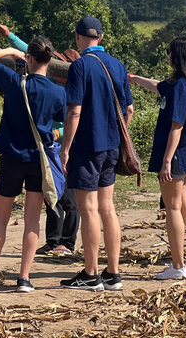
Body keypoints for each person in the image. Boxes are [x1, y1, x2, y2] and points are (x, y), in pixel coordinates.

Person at [0, 36, 67, 293]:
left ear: (29, 58)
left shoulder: (15, 82)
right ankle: (24, 279)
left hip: (11, 159)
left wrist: (12, 50)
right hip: (38, 161)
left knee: (0, 219)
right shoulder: (58, 92)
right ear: (50, 60)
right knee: (32, 221)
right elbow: (60, 121)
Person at [129, 36, 186, 279]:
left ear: (177, 57)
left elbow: (176, 127)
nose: (167, 56)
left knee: (172, 209)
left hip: (179, 154)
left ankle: (178, 266)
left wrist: (166, 160)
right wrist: (135, 79)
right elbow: (158, 85)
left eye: (170, 53)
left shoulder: (180, 87)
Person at [59, 16, 132, 292]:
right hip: (112, 146)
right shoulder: (117, 64)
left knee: (88, 209)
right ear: (100, 38)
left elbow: (74, 110)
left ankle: (90, 274)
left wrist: (65, 149)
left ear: (78, 38)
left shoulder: (79, 66)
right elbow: (129, 110)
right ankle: (113, 273)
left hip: (87, 146)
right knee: (108, 208)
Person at [0, 24, 80, 256]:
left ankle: (67, 242)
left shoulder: (69, 90)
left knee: (67, 197)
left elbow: (72, 122)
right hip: (44, 149)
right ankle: (53, 240)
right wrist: (10, 36)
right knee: (49, 197)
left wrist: (57, 135)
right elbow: (31, 52)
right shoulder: (51, 86)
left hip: (61, 148)